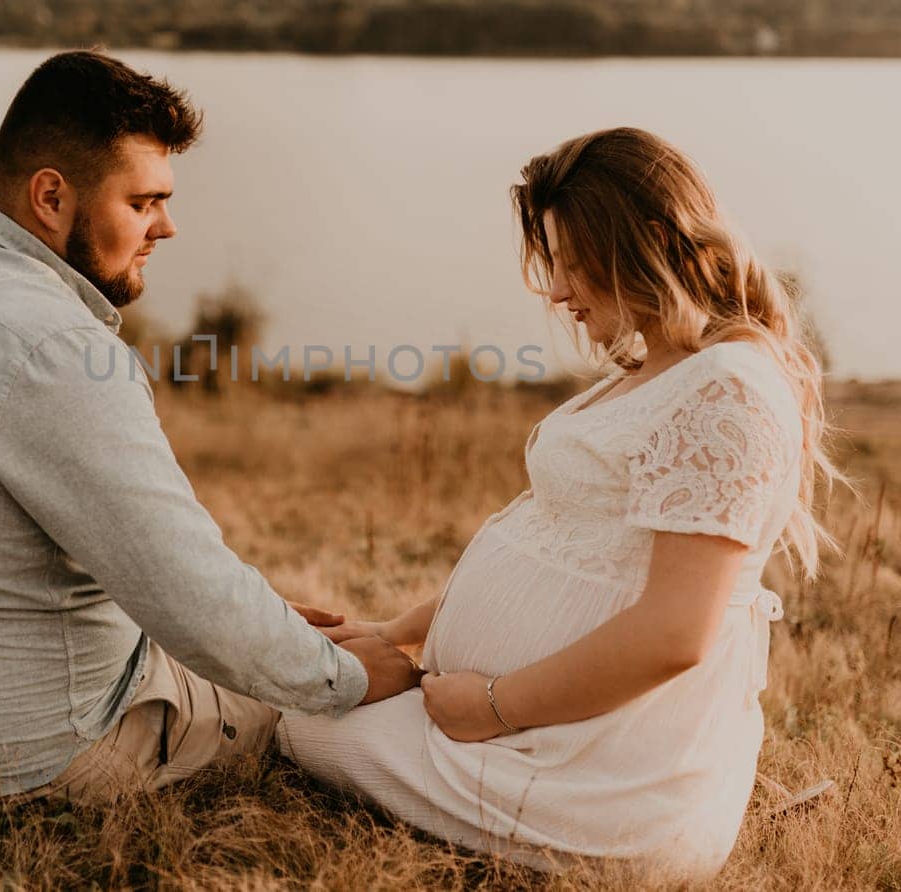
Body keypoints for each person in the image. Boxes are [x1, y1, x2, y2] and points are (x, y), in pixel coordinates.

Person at [0, 50, 420, 803]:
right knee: (338, 698)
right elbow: (186, 591)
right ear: (52, 198)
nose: (167, 226)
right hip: (22, 751)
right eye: (142, 202)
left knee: (276, 636)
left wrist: (267, 621)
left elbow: (141, 567)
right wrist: (347, 677)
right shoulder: (55, 347)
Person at [278, 126, 842, 880]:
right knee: (310, 697)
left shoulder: (727, 391)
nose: (556, 290)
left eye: (571, 261)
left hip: (603, 780)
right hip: (542, 736)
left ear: (644, 241)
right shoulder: (660, 370)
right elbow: (567, 545)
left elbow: (676, 631)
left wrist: (494, 706)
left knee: (302, 721)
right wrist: (400, 630)